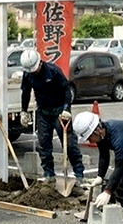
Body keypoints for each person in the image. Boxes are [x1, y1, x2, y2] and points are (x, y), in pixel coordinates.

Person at [18, 49, 84, 184]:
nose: (33, 72)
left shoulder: (53, 71)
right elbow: (25, 92)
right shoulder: (28, 74)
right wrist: (23, 111)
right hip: (43, 112)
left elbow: (66, 90)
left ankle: (79, 174)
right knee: (44, 144)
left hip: (59, 110)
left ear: (40, 62)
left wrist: (66, 109)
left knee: (69, 143)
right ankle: (49, 174)